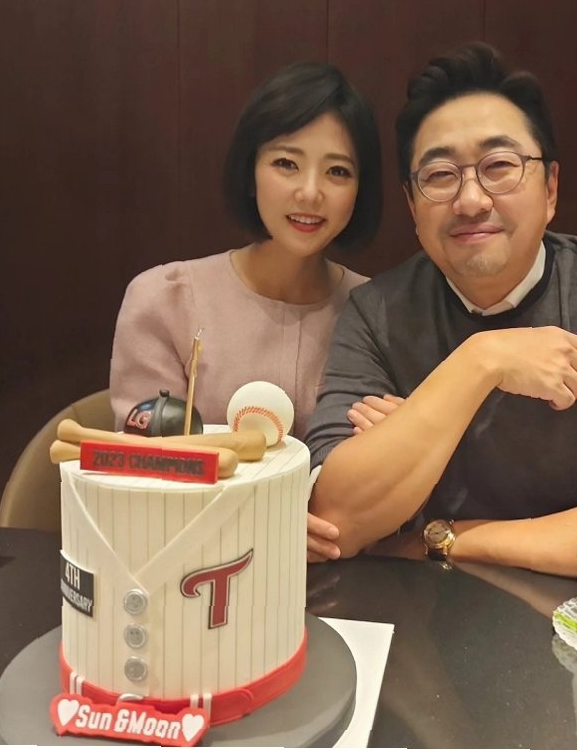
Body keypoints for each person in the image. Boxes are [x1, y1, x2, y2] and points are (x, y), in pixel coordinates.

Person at [306, 43, 577, 582]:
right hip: (431, 615)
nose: (471, 200)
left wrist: (442, 537)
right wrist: (483, 360)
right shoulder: (376, 313)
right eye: (440, 175)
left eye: (499, 166)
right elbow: (335, 520)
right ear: (412, 206)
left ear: (550, 188)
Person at [109, 61, 382, 562]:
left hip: (343, 575)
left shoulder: (376, 312)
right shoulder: (164, 299)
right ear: (250, 171)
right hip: (193, 568)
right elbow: (142, 470)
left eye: (338, 171)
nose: (310, 192)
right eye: (286, 163)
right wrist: (261, 522)